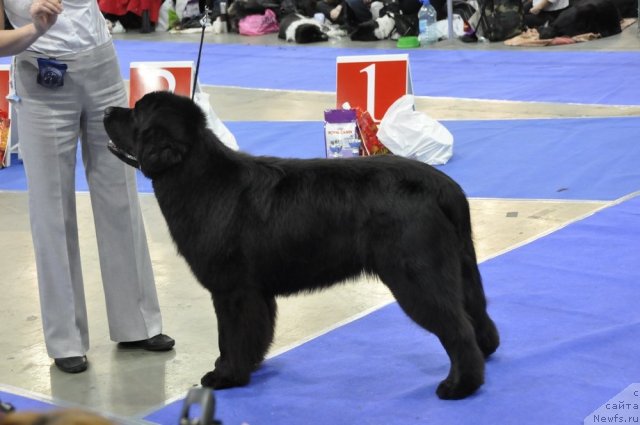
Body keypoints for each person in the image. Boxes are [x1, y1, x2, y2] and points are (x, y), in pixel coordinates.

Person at [1, 0, 175, 374]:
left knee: (120, 197)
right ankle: (65, 339)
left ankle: (139, 324)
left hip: (101, 67)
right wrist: (35, 30)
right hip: (39, 75)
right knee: (51, 210)